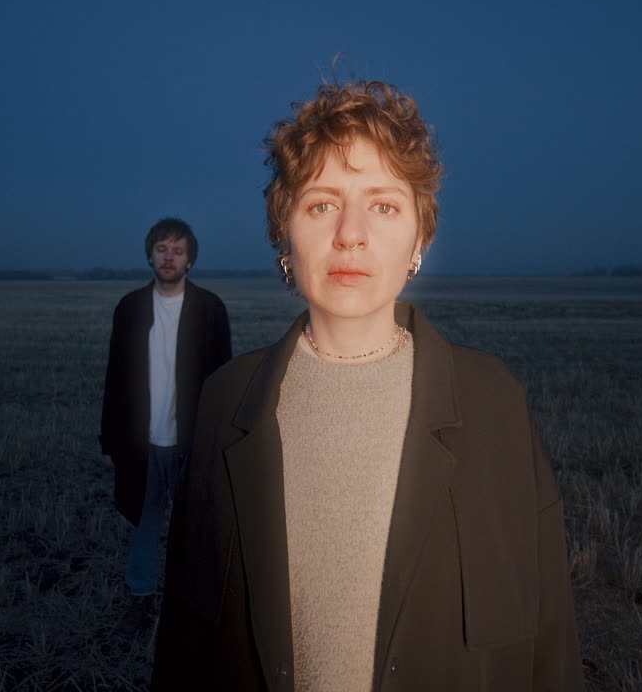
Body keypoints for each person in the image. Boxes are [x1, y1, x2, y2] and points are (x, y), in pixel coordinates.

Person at [153, 81, 583, 690]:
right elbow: (184, 642)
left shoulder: (494, 400)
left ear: (420, 240)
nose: (350, 233)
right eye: (322, 204)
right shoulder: (226, 399)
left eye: (383, 205)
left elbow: (549, 638)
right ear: (285, 236)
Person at [100, 217, 232, 635]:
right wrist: (110, 439)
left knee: (195, 526)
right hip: (143, 441)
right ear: (150, 256)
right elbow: (115, 376)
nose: (169, 256)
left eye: (177, 250)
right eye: (162, 249)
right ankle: (140, 599)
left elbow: (223, 377)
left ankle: (190, 604)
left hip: (191, 440)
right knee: (145, 523)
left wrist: (218, 438)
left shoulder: (210, 308)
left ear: (190, 259)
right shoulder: (130, 307)